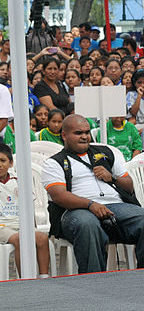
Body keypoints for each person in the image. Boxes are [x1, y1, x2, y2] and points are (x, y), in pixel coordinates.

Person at [42, 114, 144, 273]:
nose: (84, 136)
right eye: (78, 133)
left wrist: (112, 177)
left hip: (116, 206)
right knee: (87, 224)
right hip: (75, 211)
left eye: (87, 132)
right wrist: (90, 205)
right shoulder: (54, 162)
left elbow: (129, 186)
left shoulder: (105, 152)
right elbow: (59, 196)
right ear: (64, 135)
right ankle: (95, 283)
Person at [0, 143, 51, 277]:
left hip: (20, 224)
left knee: (42, 238)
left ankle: (44, 277)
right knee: (20, 239)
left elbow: (28, 206)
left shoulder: (18, 180)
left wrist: (33, 227)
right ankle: (26, 279)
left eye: (3, 160)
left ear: (10, 163)